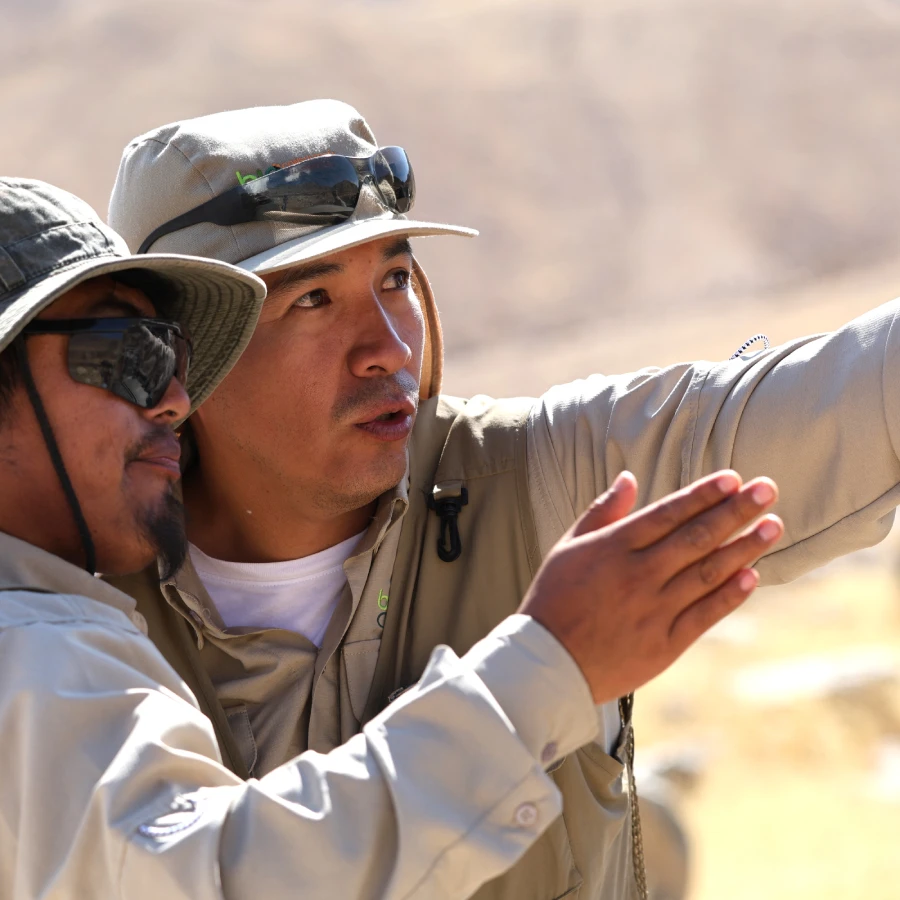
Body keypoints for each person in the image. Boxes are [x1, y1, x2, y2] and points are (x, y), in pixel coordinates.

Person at [104, 99, 891, 900]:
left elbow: (843, 408)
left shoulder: (545, 484)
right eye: (312, 301)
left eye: (395, 279)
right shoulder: (73, 613)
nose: (388, 347)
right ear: (177, 356)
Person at [0, 177, 784, 900]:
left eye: (170, 356)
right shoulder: (36, 654)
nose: (174, 398)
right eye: (126, 356)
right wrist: (551, 668)